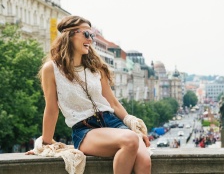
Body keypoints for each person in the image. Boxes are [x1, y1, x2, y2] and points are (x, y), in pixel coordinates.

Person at [26, 15, 151, 174]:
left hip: (113, 123)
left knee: (144, 160)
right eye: (86, 34)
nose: (90, 39)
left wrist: (131, 122)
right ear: (69, 35)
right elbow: (51, 108)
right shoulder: (52, 69)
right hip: (85, 130)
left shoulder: (97, 67)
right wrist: (45, 142)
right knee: (131, 139)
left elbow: (112, 103)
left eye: (92, 35)